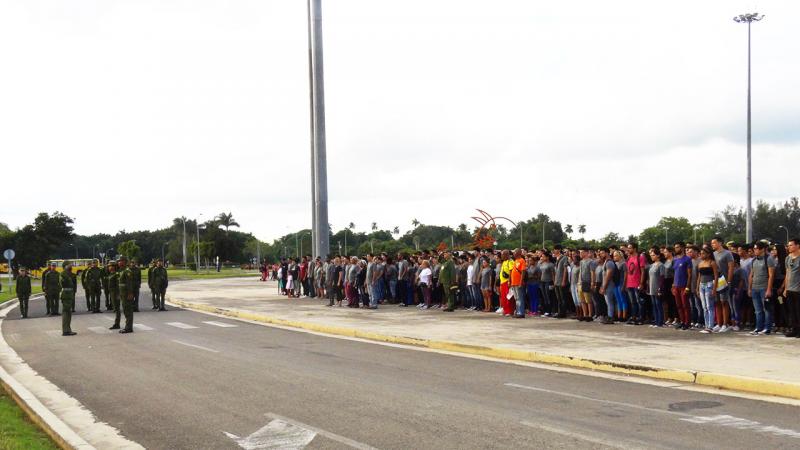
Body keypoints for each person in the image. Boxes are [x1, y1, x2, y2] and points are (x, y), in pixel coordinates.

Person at [748, 241, 775, 335]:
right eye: (754, 248)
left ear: (762, 249)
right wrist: (749, 288)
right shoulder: (753, 260)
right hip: (755, 288)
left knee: (766, 309)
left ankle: (767, 328)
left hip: (764, 287)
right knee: (757, 310)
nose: (754, 250)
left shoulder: (769, 259)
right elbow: (751, 274)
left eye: (756, 248)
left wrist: (769, 289)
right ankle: (758, 328)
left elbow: (771, 275)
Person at [711, 236, 735, 332]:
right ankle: (719, 323)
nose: (712, 245)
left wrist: (728, 281)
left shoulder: (727, 253)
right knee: (717, 302)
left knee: (724, 302)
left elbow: (731, 268)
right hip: (715, 280)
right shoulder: (713, 254)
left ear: (720, 243)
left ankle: (725, 324)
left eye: (714, 243)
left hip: (724, 281)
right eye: (711, 243)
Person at [695, 246, 719, 334]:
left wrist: (714, 288)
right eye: (700, 253)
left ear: (708, 254)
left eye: (703, 253)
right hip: (702, 285)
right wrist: (697, 288)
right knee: (704, 307)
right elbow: (699, 276)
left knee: (710, 306)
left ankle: (710, 326)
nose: (701, 255)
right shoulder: (700, 264)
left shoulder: (712, 263)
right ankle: (706, 325)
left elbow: (716, 276)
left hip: (709, 284)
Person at [672, 242, 693, 330]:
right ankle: (682, 321)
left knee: (685, 305)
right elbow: (674, 274)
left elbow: (690, 275)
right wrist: (673, 286)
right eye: (675, 247)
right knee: (679, 305)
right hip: (676, 286)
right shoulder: (675, 260)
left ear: (682, 248)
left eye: (677, 247)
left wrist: (688, 287)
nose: (676, 249)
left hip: (684, 286)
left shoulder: (687, 259)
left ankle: (687, 322)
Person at [782, 238, 800, 337]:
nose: (789, 247)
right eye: (788, 245)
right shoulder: (788, 258)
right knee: (791, 311)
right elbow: (787, 273)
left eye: (791, 245)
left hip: (798, 289)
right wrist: (785, 288)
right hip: (790, 289)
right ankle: (794, 329)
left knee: (798, 311)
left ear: (797, 246)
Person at [647, 247, 666, 328]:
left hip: (657, 287)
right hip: (651, 287)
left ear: (658, 255)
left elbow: (662, 278)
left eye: (653, 255)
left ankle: (660, 321)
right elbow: (649, 277)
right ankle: (656, 320)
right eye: (651, 255)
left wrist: (660, 288)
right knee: (654, 304)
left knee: (658, 304)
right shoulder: (651, 265)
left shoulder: (661, 265)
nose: (652, 256)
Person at [117, 256, 135, 334]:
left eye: (121, 261)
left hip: (127, 294)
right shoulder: (122, 271)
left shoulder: (127, 271)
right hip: (123, 294)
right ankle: (128, 326)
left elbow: (129, 283)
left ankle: (128, 328)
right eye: (119, 261)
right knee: (125, 310)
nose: (119, 262)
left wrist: (130, 293)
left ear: (125, 262)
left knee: (128, 310)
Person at [59, 261, 77, 336]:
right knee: (66, 313)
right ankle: (66, 330)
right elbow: (64, 283)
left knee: (68, 313)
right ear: (65, 266)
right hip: (66, 295)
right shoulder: (63, 274)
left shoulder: (68, 274)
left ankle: (68, 329)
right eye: (69, 265)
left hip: (69, 295)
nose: (71, 266)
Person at [510, 249, 527, 318]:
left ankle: (521, 312)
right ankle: (517, 311)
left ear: (519, 253)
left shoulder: (522, 260)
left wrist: (520, 282)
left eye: (515, 252)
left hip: (518, 282)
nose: (514, 253)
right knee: (516, 298)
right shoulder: (515, 261)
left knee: (520, 298)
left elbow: (523, 272)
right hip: (514, 282)